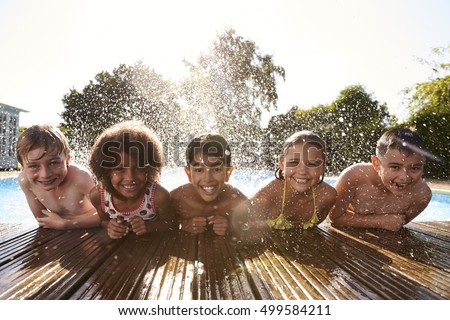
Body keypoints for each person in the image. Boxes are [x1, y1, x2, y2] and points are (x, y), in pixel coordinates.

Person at [329, 128, 432, 231]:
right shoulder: (354, 176)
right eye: (395, 167)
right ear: (376, 164)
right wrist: (379, 221)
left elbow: (396, 224)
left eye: (415, 168)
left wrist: (385, 222)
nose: (404, 177)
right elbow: (334, 217)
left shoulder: (421, 195)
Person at [235, 131, 336, 233]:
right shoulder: (265, 196)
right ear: (282, 164)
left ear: (323, 167)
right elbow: (243, 228)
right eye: (294, 162)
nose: (302, 171)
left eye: (312, 163)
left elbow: (311, 229)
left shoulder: (327, 196)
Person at [88, 120, 175, 239]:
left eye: (139, 168)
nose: (130, 178)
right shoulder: (98, 195)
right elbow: (103, 221)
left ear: (149, 168)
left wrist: (149, 227)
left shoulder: (158, 196)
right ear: (105, 171)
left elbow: (170, 223)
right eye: (119, 169)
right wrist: (110, 226)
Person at [16, 124, 100, 229]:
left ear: (67, 159)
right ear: (22, 166)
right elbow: (43, 220)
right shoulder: (26, 181)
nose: (45, 174)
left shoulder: (80, 177)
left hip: (96, 231)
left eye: (53, 163)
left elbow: (110, 214)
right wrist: (62, 224)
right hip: (63, 234)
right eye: (33, 166)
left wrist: (66, 224)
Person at [170, 134, 247, 236]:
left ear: (228, 173)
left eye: (216, 169)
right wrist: (183, 224)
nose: (208, 179)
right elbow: (163, 223)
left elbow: (253, 225)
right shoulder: (177, 199)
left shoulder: (236, 200)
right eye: (199, 170)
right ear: (189, 174)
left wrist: (232, 226)